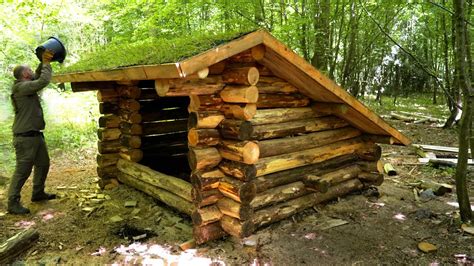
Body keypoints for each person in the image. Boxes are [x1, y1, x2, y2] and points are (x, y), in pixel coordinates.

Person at [7, 50, 57, 215]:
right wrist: (47, 64)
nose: (31, 71)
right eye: (29, 70)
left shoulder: (26, 84)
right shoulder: (21, 88)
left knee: (43, 164)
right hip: (25, 138)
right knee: (23, 170)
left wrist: (43, 61)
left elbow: (37, 75)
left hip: (35, 135)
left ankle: (38, 193)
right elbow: (42, 80)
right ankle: (13, 203)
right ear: (24, 74)